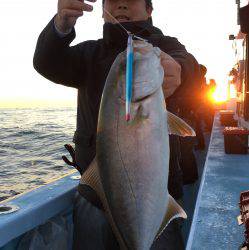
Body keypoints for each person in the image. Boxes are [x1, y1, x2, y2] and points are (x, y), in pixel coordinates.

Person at [33, 0, 200, 249]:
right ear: (102, 11)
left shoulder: (166, 47)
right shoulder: (88, 55)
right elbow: (47, 62)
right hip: (95, 196)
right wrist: (61, 26)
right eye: (112, 0)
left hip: (157, 194)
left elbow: (191, 69)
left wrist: (181, 71)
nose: (121, 4)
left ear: (149, 10)